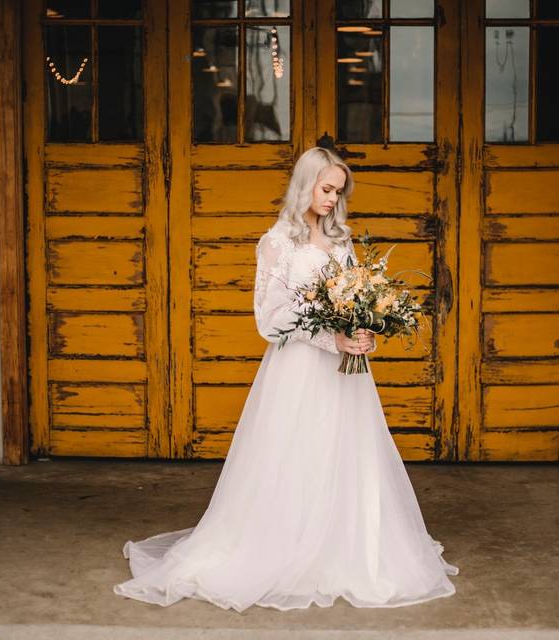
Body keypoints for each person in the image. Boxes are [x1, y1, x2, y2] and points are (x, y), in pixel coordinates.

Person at [112, 147, 459, 612]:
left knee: (347, 454)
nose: (333, 199)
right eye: (326, 189)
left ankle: (345, 547)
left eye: (339, 191)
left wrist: (363, 330)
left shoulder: (342, 241)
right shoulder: (276, 242)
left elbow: (357, 296)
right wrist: (329, 340)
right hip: (297, 372)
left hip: (345, 378)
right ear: (305, 184)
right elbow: (269, 319)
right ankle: (286, 548)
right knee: (296, 453)